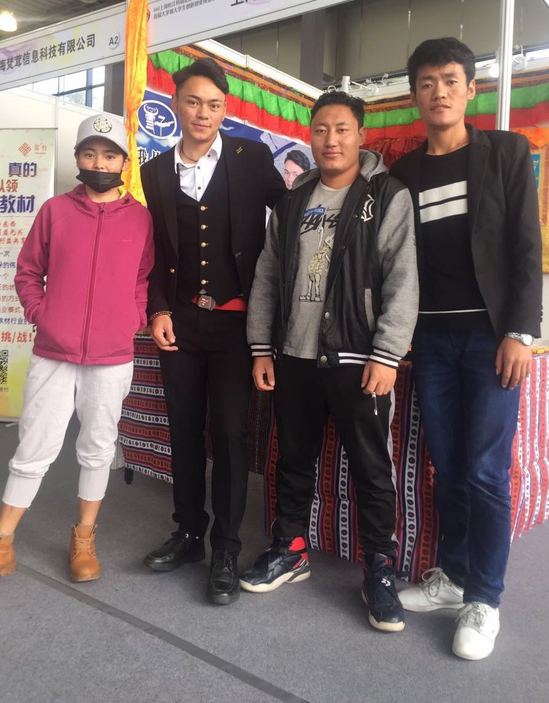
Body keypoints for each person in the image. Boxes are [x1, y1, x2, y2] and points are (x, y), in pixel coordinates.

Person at [240, 91, 418, 632]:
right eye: (321, 129)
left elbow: (403, 278)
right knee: (293, 458)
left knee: (371, 466)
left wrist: (387, 353)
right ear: (310, 135)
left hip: (359, 357)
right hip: (294, 354)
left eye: (342, 129)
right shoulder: (294, 200)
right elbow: (267, 276)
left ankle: (380, 569)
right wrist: (262, 346)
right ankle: (290, 549)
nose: (331, 140)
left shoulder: (386, 195)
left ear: (361, 135)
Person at [390, 37, 543, 660]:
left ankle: (485, 597)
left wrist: (520, 332)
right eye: (427, 83)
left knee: (484, 470)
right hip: (430, 340)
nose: (440, 92)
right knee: (448, 465)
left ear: (470, 90)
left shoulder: (505, 153)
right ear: (415, 95)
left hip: (490, 339)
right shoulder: (405, 173)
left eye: (450, 80)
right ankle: (452, 578)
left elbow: (526, 246)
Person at [141, 57, 285, 605]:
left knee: (227, 433)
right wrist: (158, 309)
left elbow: (291, 217)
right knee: (183, 429)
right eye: (194, 102)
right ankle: (187, 533)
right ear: (175, 103)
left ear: (226, 110)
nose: (203, 113)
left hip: (236, 325)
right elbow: (155, 252)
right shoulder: (156, 170)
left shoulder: (252, 158)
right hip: (180, 323)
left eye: (215, 105)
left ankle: (225, 545)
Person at [0, 113, 154, 582]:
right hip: (54, 351)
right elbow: (28, 271)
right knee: (35, 443)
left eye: (109, 155)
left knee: (98, 446)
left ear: (124, 162)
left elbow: (142, 279)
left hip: (112, 356)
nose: (99, 163)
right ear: (78, 158)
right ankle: (4, 536)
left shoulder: (141, 219)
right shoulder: (55, 211)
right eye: (89, 153)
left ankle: (84, 536)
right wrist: (41, 313)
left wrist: (132, 318)